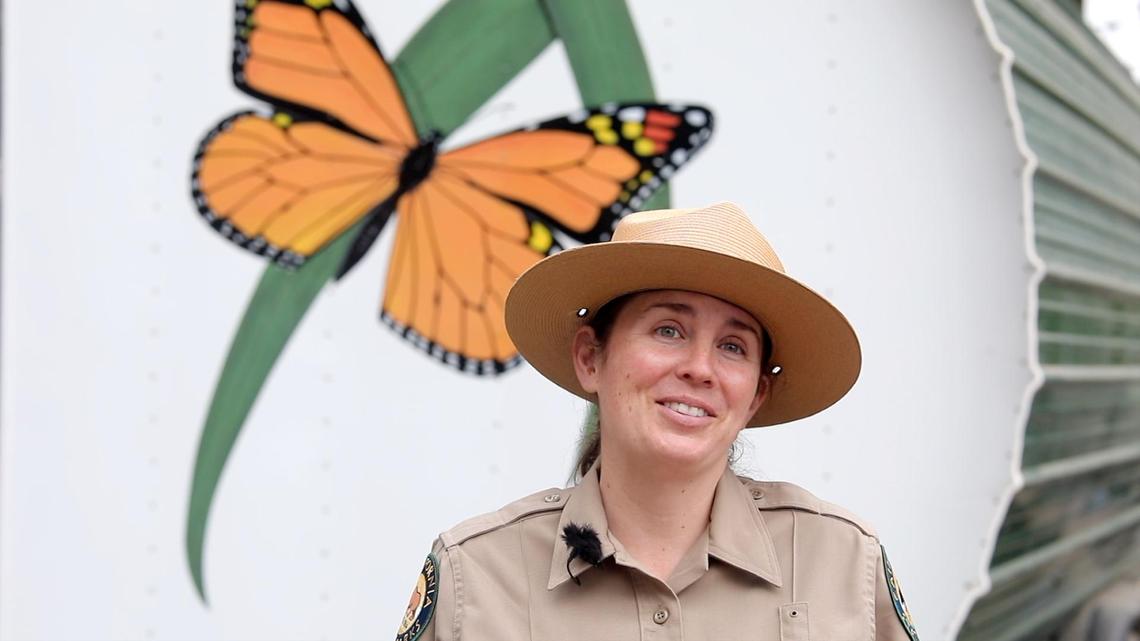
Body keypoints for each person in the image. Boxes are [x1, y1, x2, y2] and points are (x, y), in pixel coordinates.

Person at [395, 202, 920, 641]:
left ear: (757, 392)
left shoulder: (844, 561)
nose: (699, 368)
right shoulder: (478, 576)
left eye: (733, 346)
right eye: (668, 330)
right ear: (590, 358)